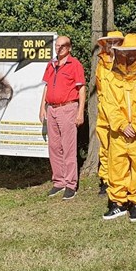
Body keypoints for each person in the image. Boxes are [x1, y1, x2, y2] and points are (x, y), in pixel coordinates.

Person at [101, 33, 136, 222]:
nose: (131, 56)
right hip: (119, 132)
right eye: (128, 52)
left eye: (134, 52)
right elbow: (109, 104)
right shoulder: (111, 76)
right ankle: (118, 203)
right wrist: (122, 125)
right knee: (117, 166)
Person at [39, 36, 86, 200]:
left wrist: (80, 112)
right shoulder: (51, 65)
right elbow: (46, 87)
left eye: (63, 46)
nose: (59, 48)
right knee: (54, 147)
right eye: (57, 45)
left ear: (69, 48)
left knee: (68, 147)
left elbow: (81, 89)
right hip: (52, 109)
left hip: (67, 108)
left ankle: (71, 184)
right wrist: (42, 107)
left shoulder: (75, 65)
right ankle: (58, 182)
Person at [95, 31, 124, 196]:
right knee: (104, 148)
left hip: (119, 114)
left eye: (116, 42)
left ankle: (119, 179)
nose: (112, 45)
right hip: (103, 113)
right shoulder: (101, 64)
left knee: (119, 148)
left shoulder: (127, 62)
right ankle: (106, 181)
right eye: (110, 42)